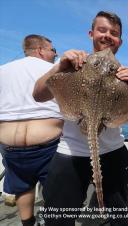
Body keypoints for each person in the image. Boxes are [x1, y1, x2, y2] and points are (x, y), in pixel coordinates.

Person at [33, 11, 128, 226]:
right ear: (91, 33)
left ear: (120, 40)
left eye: (114, 33)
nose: (107, 36)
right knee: (58, 219)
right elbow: (38, 94)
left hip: (113, 153)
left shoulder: (124, 74)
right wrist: (60, 67)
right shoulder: (74, 66)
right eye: (102, 30)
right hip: (70, 154)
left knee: (119, 217)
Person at [0, 34, 62, 226]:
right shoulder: (55, 69)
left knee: (23, 187)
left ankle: (28, 223)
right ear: (41, 50)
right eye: (53, 50)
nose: (55, 54)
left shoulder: (3, 70)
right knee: (55, 190)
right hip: (49, 145)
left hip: (9, 146)